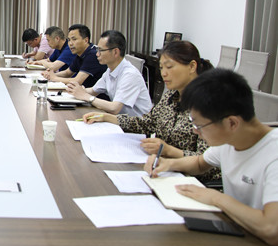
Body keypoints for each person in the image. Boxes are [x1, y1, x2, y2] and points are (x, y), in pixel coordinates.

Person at [144, 69, 278, 246]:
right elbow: (200, 163)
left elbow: (271, 229)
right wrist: (168, 164)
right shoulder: (230, 140)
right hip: (238, 236)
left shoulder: (273, 154)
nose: (195, 131)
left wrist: (217, 198)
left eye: (199, 125)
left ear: (232, 123)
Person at [82, 41, 219, 180]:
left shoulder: (210, 104)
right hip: (162, 170)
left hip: (193, 181)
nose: (163, 73)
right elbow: (147, 122)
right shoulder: (171, 96)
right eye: (161, 68)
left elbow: (212, 164)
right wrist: (107, 117)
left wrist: (170, 151)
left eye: (169, 67)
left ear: (192, 66)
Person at [67, 30, 152, 116]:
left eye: (100, 50)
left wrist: (87, 97)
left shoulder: (130, 74)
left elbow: (114, 108)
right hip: (120, 119)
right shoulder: (110, 70)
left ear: (115, 52)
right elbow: (93, 90)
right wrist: (77, 90)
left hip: (137, 123)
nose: (97, 54)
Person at [42, 24, 106, 87]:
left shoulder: (92, 54)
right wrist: (50, 75)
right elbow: (67, 73)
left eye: (74, 39)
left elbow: (77, 81)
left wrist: (54, 78)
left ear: (86, 40)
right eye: (69, 40)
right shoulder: (80, 53)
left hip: (92, 93)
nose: (70, 43)